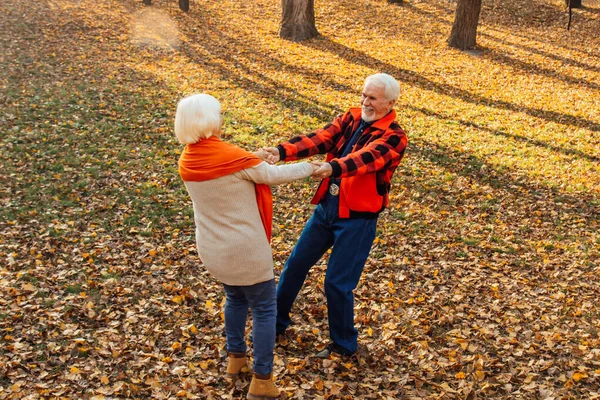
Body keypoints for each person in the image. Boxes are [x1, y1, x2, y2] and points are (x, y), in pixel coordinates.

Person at [175, 93, 316, 399]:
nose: (222, 119)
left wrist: (252, 157)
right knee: (265, 309)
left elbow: (236, 168)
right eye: (219, 114)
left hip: (214, 249)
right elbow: (272, 175)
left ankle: (236, 359)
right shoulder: (229, 158)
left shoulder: (188, 159)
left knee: (235, 300)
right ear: (209, 120)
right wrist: (313, 167)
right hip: (246, 250)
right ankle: (262, 380)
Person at [264, 73, 408, 358]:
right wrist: (280, 152)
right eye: (364, 95)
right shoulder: (350, 118)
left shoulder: (394, 137)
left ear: (390, 103)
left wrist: (333, 168)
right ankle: (273, 323)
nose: (365, 101)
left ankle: (343, 345)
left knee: (337, 284)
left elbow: (366, 159)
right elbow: (320, 139)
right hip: (326, 209)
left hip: (357, 219)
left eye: (372, 98)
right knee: (295, 264)